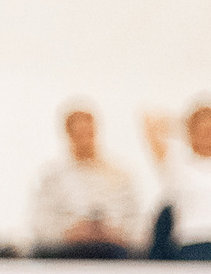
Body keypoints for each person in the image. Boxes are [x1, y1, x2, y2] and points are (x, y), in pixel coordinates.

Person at [30, 105, 139, 259]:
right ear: (68, 134)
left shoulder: (119, 174)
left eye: (89, 133)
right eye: (79, 134)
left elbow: (135, 222)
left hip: (112, 251)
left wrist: (111, 231)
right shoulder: (52, 177)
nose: (85, 140)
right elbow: (39, 224)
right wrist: (70, 233)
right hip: (65, 253)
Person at [145, 100, 211, 262]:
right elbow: (150, 121)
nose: (209, 135)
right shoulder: (179, 167)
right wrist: (185, 125)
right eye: (203, 130)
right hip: (196, 244)